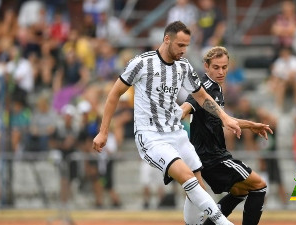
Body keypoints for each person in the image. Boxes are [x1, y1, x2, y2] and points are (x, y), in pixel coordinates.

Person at [93, 21, 239, 225]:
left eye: (186, 45)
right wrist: (103, 132)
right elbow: (114, 94)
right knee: (188, 178)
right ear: (167, 39)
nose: (184, 50)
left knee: (198, 187)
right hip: (151, 136)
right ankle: (224, 223)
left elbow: (201, 96)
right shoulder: (142, 63)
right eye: (180, 45)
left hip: (176, 133)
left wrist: (225, 118)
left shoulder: (183, 66)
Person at [181, 46, 273, 225]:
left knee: (240, 191)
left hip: (208, 158)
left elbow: (223, 119)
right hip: (212, 158)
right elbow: (188, 105)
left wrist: (250, 125)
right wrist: (178, 114)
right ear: (206, 66)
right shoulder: (205, 88)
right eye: (216, 67)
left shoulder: (215, 88)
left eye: (224, 67)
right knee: (259, 186)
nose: (221, 71)